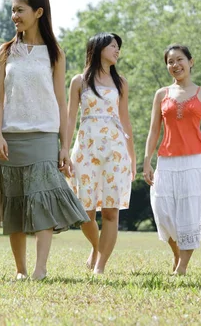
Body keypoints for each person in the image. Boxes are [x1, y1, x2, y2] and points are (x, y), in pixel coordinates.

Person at [0, 0, 89, 281]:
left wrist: (65, 145)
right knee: (14, 202)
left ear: (38, 13)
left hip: (43, 135)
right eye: (13, 10)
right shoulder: (6, 51)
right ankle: (20, 270)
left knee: (40, 201)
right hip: (12, 136)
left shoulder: (55, 53)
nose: (14, 16)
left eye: (20, 10)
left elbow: (62, 101)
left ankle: (40, 268)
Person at [143, 44, 201, 275]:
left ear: (191, 61)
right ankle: (178, 255)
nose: (175, 65)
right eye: (170, 62)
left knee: (190, 214)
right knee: (163, 212)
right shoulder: (161, 94)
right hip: (166, 161)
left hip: (194, 161)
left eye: (179, 60)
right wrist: (147, 160)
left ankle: (182, 268)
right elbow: (153, 130)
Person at [66, 32, 136, 275]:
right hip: (86, 147)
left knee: (110, 210)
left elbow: (126, 121)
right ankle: (97, 248)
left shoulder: (121, 83)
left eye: (118, 47)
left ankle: (100, 266)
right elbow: (70, 118)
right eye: (113, 46)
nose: (117, 50)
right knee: (85, 212)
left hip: (115, 151)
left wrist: (132, 157)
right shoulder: (80, 81)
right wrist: (64, 151)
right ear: (98, 48)